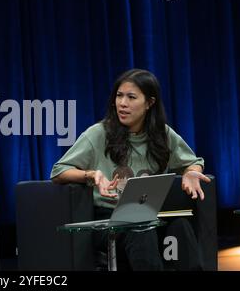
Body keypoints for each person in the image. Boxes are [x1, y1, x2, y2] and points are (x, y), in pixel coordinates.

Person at [51, 68, 210, 271]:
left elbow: (192, 161)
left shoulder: (162, 134)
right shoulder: (99, 133)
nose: (122, 103)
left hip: (151, 216)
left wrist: (190, 171)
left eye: (131, 97)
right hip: (109, 220)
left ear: (149, 103)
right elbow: (58, 171)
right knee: (140, 228)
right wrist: (91, 174)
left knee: (180, 225)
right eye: (119, 96)